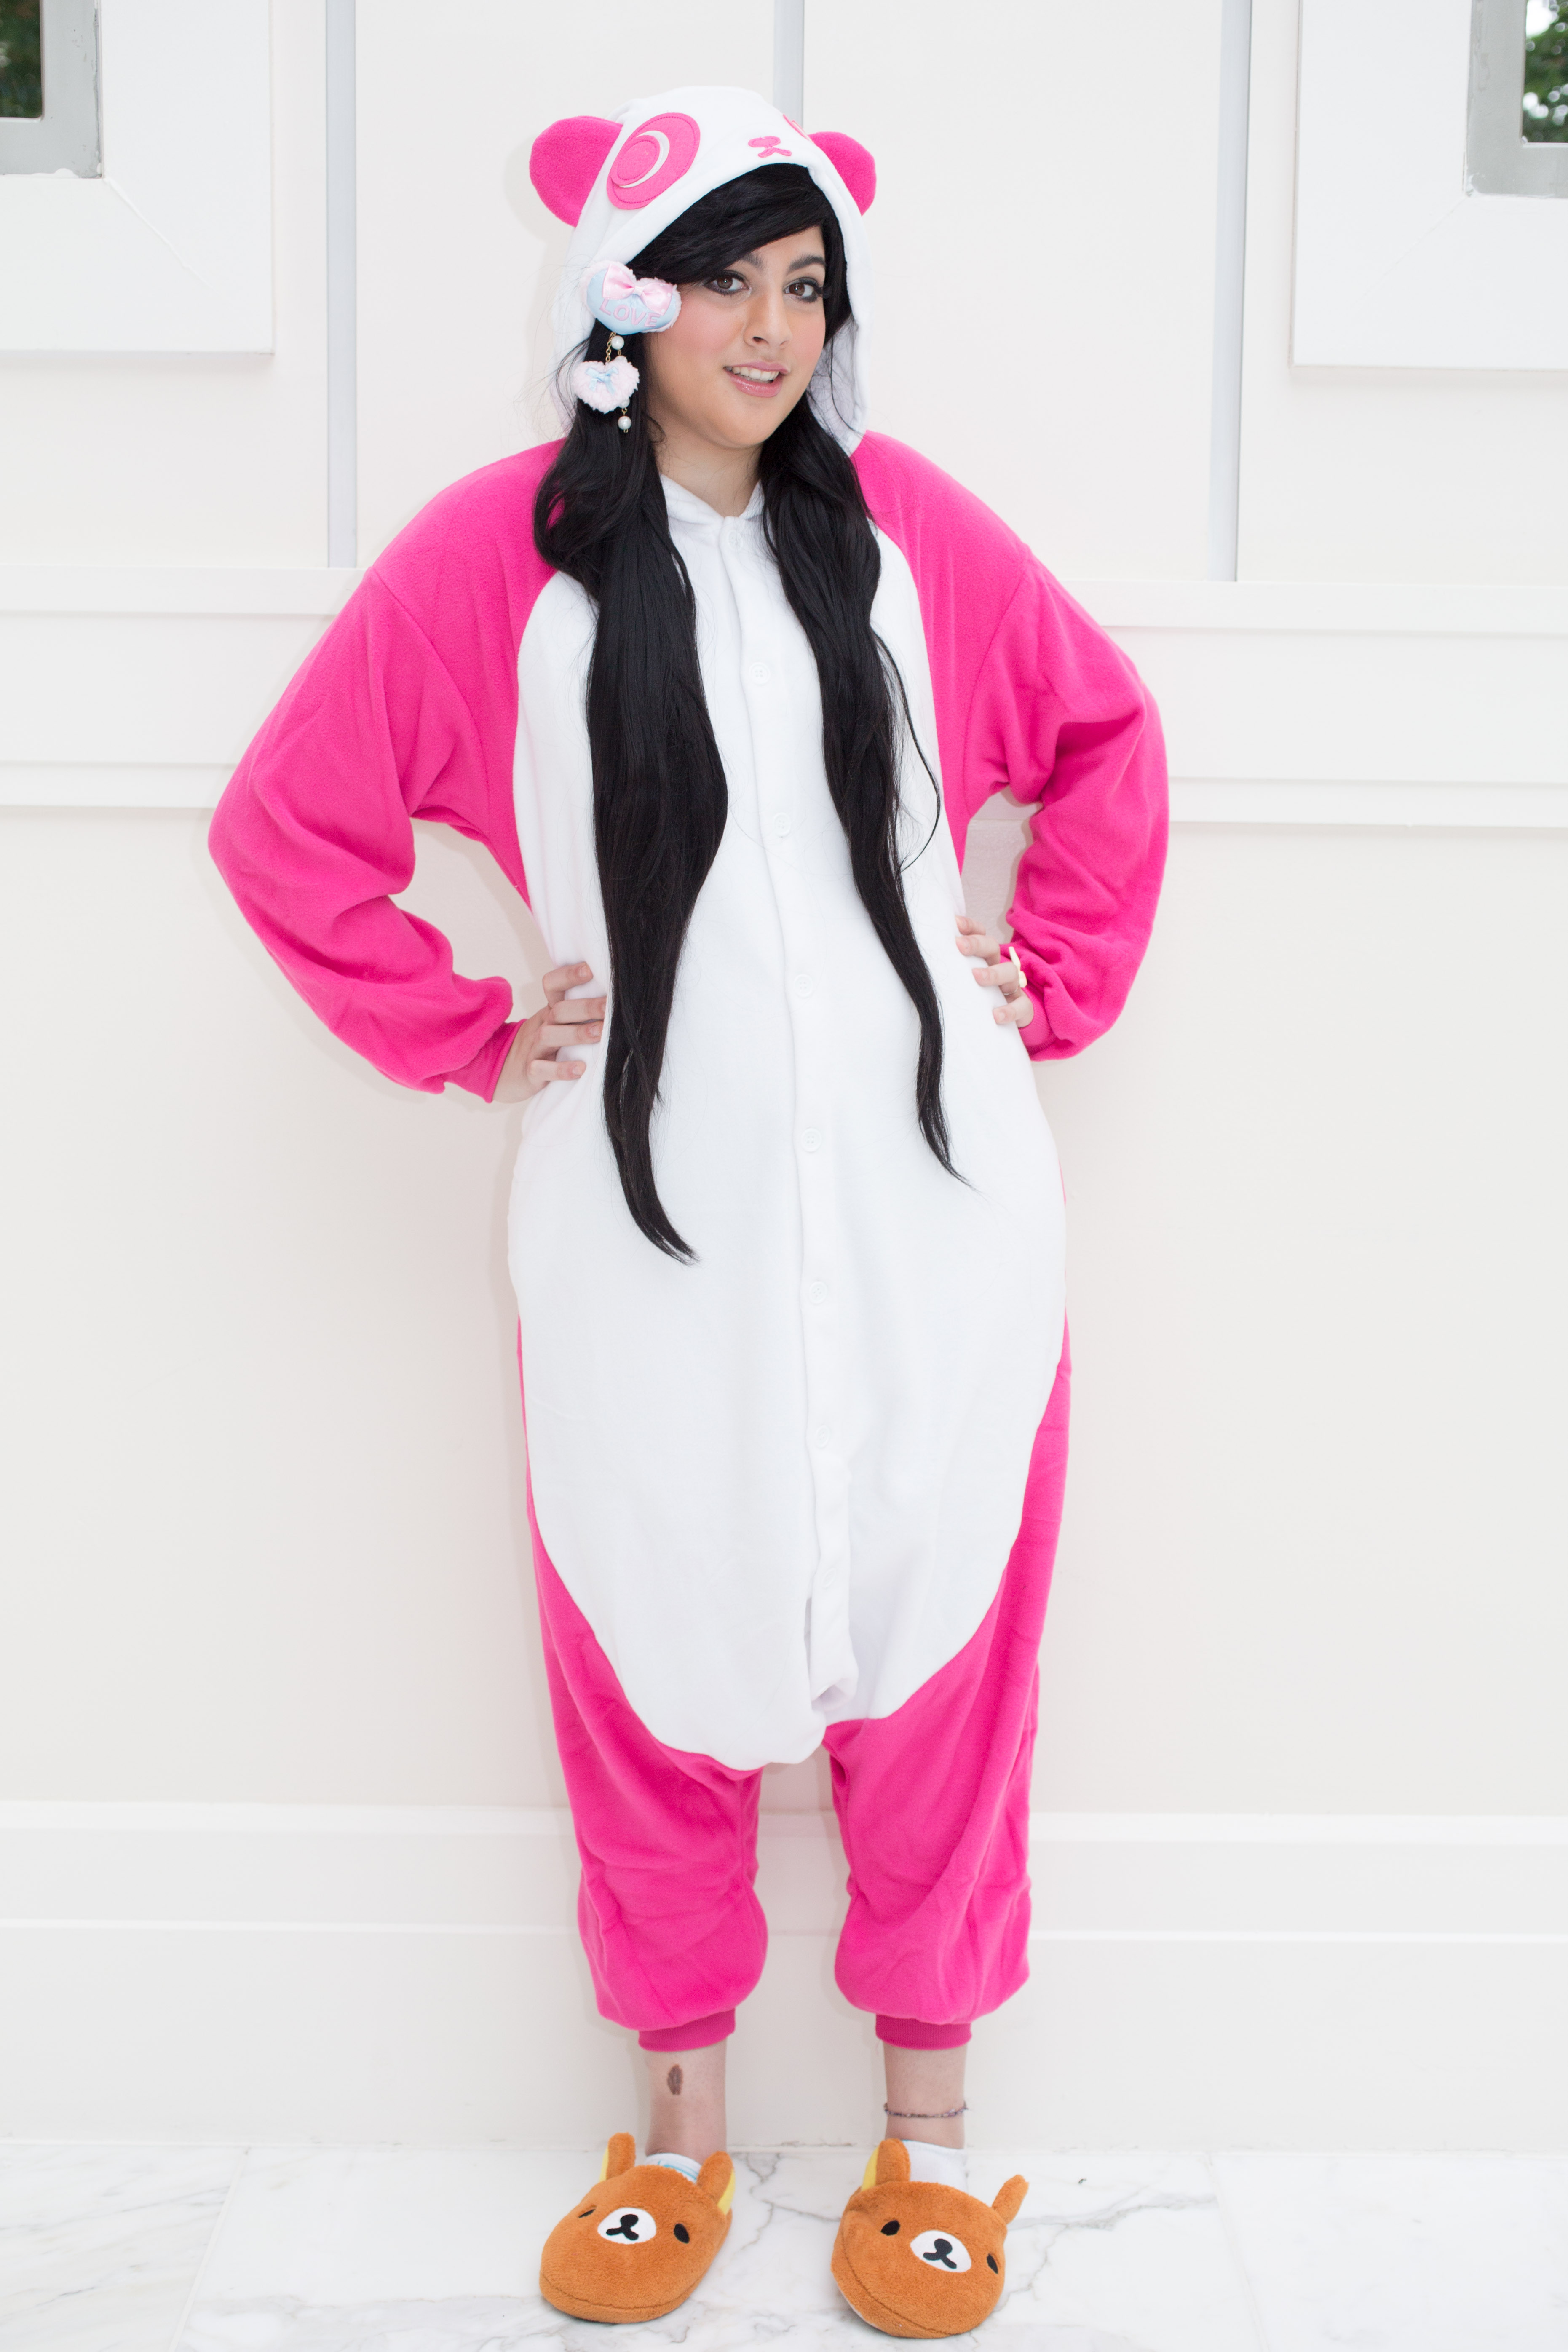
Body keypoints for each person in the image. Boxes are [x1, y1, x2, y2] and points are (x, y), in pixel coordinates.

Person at [210, 84, 1167, 2333]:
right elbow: (288, 833)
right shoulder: (498, 563)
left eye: (803, 283)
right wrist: (468, 1031)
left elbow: (1106, 738)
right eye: (723, 278)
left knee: (949, 1675)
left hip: (944, 1228)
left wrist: (1056, 976)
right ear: (621, 300)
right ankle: (676, 2138)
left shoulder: (911, 534)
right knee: (646, 1669)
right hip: (644, 1236)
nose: (768, 326)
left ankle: (934, 2152)